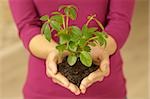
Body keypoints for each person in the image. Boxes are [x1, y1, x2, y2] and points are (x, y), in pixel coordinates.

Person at [9, 0, 135, 99]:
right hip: (44, 92)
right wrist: (56, 52)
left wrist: (99, 48)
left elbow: (120, 20)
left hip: (106, 91)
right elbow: (27, 26)